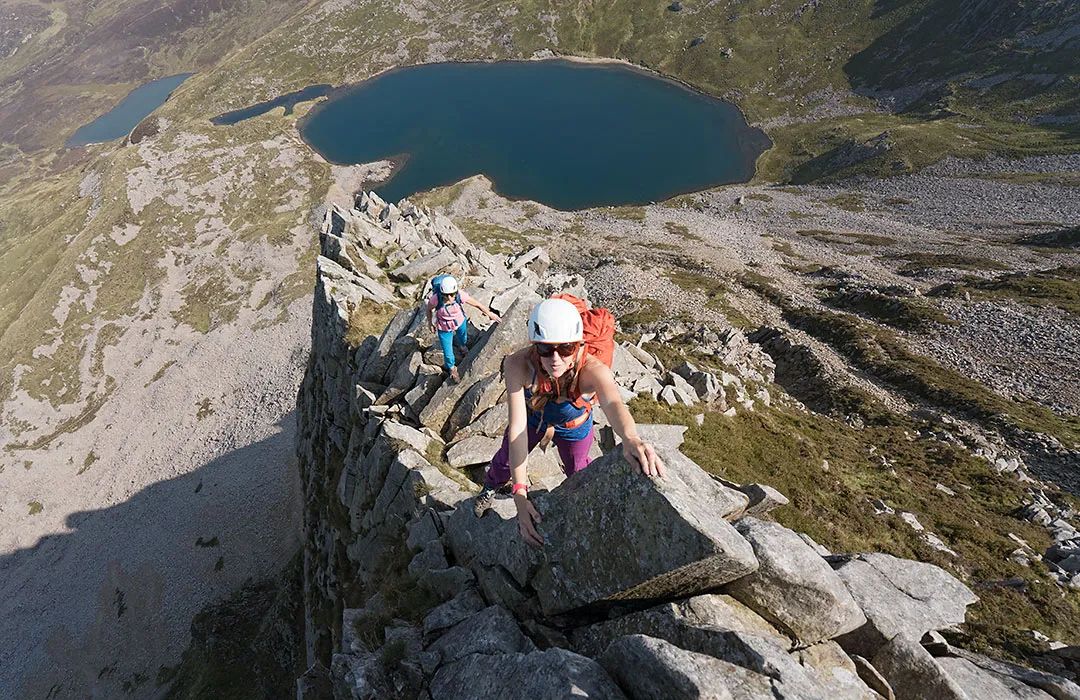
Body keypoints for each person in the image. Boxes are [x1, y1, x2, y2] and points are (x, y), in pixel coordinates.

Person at [474, 298, 665, 547]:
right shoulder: (517, 365)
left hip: (574, 426)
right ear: (535, 346)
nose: (555, 358)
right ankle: (490, 487)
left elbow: (614, 404)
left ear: (578, 345)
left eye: (565, 348)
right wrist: (519, 494)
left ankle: (579, 516)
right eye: (545, 349)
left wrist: (630, 437)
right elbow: (518, 428)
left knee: (580, 473)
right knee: (505, 460)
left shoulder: (592, 369)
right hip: (534, 420)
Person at [426, 275, 500, 382]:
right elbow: (428, 309)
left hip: (459, 322)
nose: (450, 298)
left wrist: (489, 313)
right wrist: (430, 323)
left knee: (463, 337)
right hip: (444, 327)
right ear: (442, 293)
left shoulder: (460, 295)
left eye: (452, 295)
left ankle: (462, 346)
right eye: (447, 295)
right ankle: (452, 368)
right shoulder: (435, 299)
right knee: (447, 352)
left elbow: (477, 304)